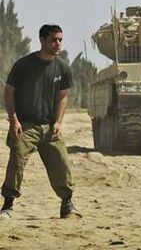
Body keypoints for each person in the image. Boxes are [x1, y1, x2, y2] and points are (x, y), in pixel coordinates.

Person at [0, 24, 81, 220]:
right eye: (53, 40)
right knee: (17, 159)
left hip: (49, 127)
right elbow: (9, 92)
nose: (58, 44)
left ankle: (67, 204)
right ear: (42, 40)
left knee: (62, 163)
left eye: (60, 40)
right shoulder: (23, 65)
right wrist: (14, 121)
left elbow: (63, 97)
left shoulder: (62, 68)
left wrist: (58, 122)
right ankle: (8, 205)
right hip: (25, 126)